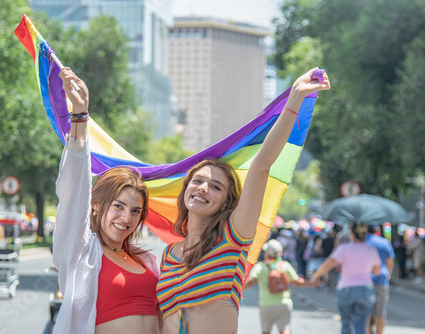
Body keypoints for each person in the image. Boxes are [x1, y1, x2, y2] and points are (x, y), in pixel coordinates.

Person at [156, 68, 330, 334]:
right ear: (185, 189)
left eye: (215, 187)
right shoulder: (169, 255)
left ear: (226, 202)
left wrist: (294, 100)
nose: (202, 188)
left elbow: (261, 166)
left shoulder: (233, 238)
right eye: (197, 181)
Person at [52, 68, 160, 334]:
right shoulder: (81, 250)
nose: (127, 218)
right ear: (96, 204)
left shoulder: (147, 260)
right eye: (119, 206)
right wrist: (79, 116)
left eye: (135, 211)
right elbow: (74, 187)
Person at [310, 222, 380, 334]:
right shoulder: (372, 250)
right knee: (361, 327)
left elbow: (327, 265)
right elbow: (376, 271)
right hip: (366, 289)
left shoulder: (344, 248)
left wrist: (315, 277)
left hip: (346, 289)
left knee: (346, 325)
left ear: (351, 234)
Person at [244, 239, 313, 334]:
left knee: (266, 331)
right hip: (284, 304)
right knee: (285, 330)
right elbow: (297, 282)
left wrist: (238, 290)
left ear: (267, 253)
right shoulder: (285, 265)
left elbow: (251, 282)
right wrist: (312, 283)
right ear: (280, 253)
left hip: (266, 305)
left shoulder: (261, 266)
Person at [365, 225, 395, 334]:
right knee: (380, 313)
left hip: (365, 280)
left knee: (366, 312)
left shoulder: (362, 242)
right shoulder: (384, 242)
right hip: (381, 279)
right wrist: (389, 274)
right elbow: (390, 260)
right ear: (377, 230)